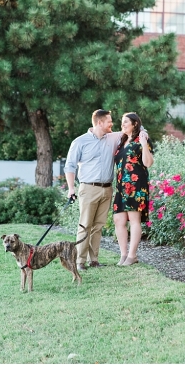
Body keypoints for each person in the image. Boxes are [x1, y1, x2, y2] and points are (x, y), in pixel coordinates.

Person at [64, 109, 125, 271]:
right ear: (99, 123)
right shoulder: (80, 142)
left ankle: (94, 260)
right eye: (109, 121)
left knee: (98, 226)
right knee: (85, 225)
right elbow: (69, 166)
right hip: (88, 188)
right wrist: (71, 189)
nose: (112, 124)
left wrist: (141, 131)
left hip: (107, 189)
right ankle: (80, 261)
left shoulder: (113, 138)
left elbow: (132, 130)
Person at [112, 112, 153, 266]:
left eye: (125, 122)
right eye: (122, 122)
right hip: (121, 187)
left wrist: (143, 143)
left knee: (134, 220)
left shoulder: (142, 139)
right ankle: (123, 254)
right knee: (118, 220)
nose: (122, 125)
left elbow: (148, 163)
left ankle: (132, 255)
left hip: (136, 186)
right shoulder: (121, 140)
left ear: (135, 124)